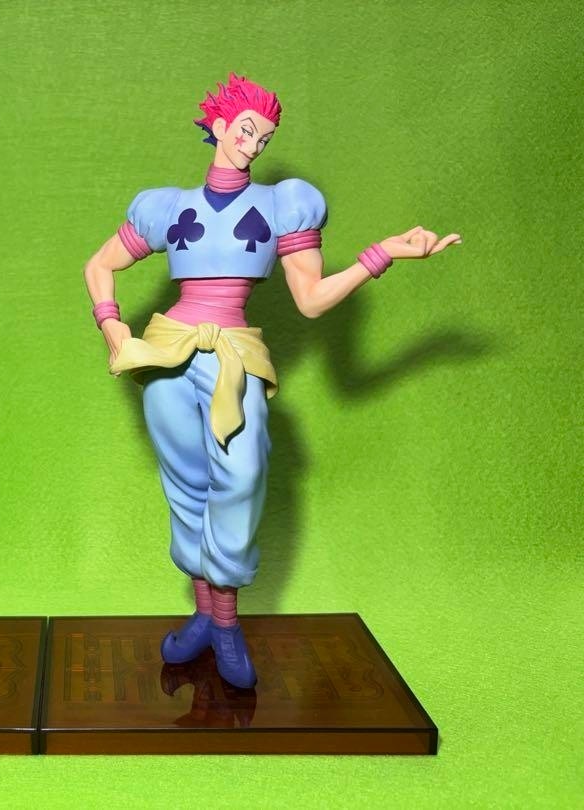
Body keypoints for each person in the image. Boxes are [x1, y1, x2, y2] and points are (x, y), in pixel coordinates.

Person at [83, 75, 460, 689]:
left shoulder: (283, 204)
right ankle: (205, 618)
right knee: (187, 486)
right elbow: (99, 265)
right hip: (168, 354)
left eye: (265, 137)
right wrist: (112, 327)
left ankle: (226, 625)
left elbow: (310, 300)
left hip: (234, 355)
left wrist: (381, 255)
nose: (254, 144)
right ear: (220, 126)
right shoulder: (166, 207)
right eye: (246, 130)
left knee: (241, 477)